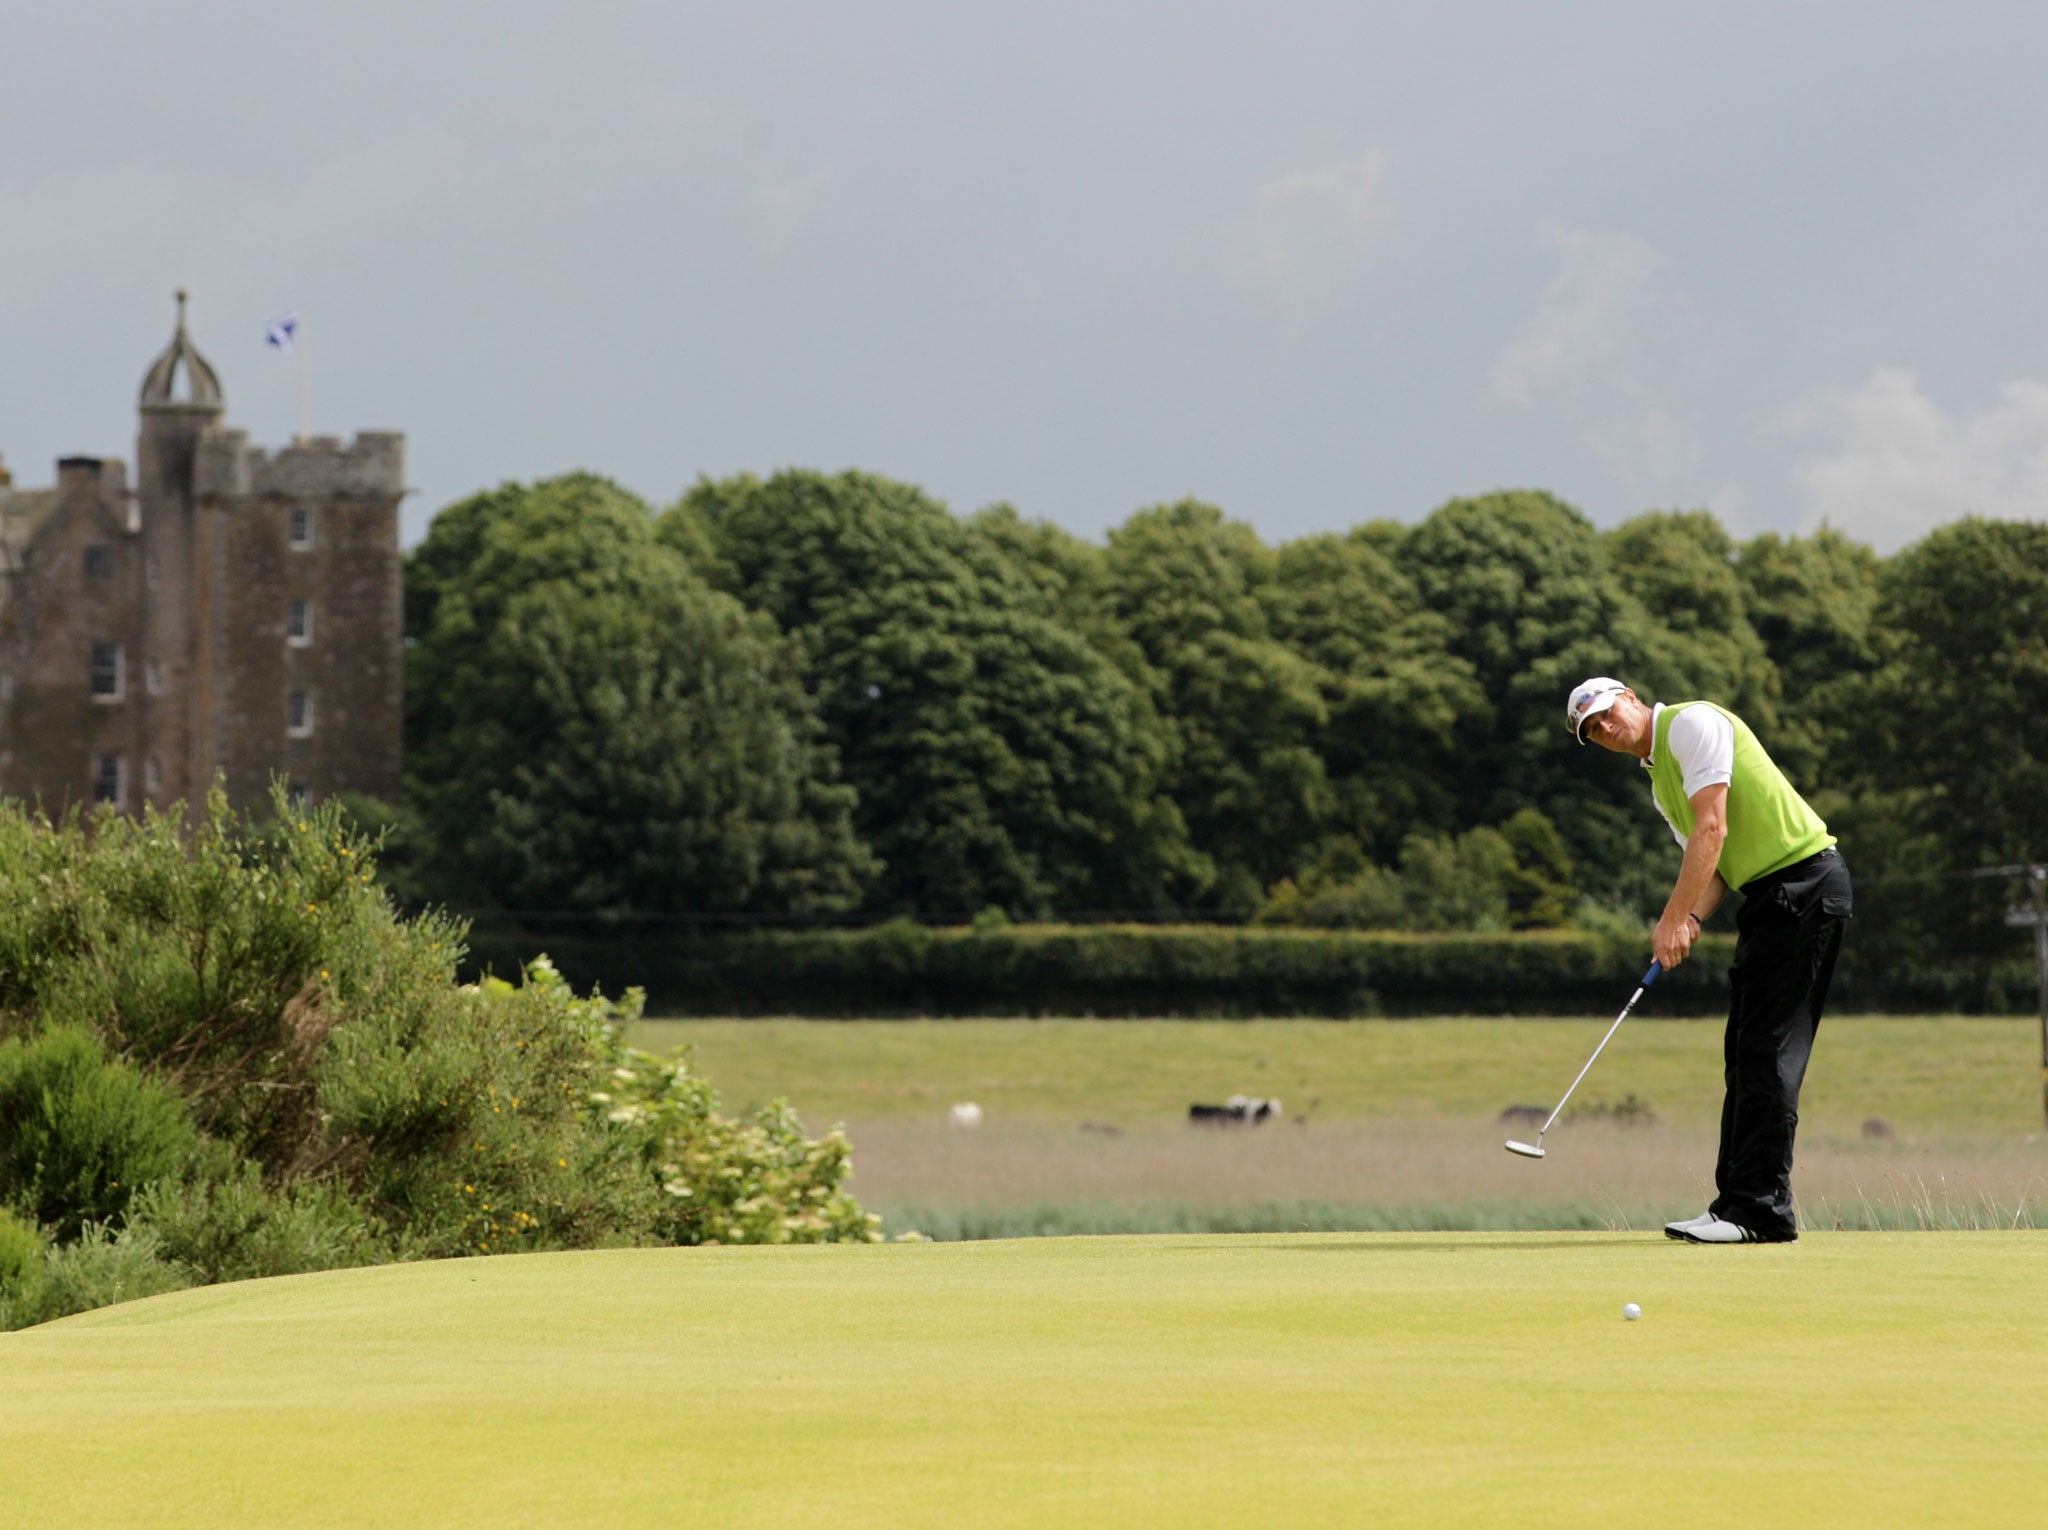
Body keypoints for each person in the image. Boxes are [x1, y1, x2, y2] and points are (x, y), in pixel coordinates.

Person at [1566, 677, 1852, 1244]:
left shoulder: (1691, 725)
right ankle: (1735, 1206)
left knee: (1768, 1050)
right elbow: (1715, 873)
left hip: (1806, 884)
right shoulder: (1659, 785)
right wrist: (1691, 919)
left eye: (1603, 713)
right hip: (1769, 899)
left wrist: (1673, 918)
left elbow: (1713, 829)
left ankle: (1762, 1213)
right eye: (1590, 730)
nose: (1602, 729)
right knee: (1744, 1053)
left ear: (1628, 695)